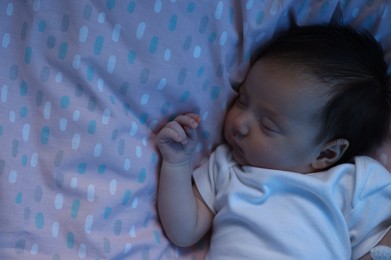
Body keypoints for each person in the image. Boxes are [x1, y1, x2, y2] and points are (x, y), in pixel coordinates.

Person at [156, 24, 391, 259]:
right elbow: (184, 232)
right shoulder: (226, 167)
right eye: (242, 100)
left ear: (325, 154)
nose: (240, 123)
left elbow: (381, 246)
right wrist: (176, 163)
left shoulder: (353, 183)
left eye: (267, 125)